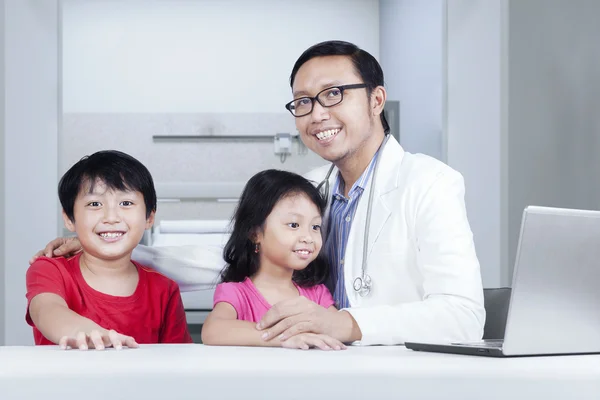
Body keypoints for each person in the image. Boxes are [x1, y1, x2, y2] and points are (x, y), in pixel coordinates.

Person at [30, 40, 485, 346]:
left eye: (333, 94)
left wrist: (347, 323)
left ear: (376, 99)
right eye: (302, 102)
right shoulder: (312, 188)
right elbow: (244, 258)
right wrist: (113, 247)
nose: (316, 113)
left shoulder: (429, 183)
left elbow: (464, 315)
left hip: (398, 376)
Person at [26, 150, 192, 350]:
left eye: (126, 203)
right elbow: (46, 311)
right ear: (69, 219)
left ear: (149, 217)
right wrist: (85, 332)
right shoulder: (50, 269)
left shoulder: (164, 289)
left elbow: (177, 360)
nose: (111, 217)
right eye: (95, 204)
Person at [201, 169, 345, 351]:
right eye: (294, 225)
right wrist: (283, 338)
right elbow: (213, 330)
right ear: (255, 233)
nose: (308, 237)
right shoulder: (236, 293)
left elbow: (336, 330)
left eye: (315, 226)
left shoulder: (317, 295)